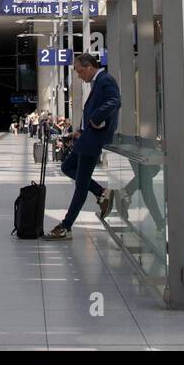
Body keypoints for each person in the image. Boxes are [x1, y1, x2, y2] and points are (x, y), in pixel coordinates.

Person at [44, 53, 120, 240]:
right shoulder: (99, 82)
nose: (78, 76)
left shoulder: (105, 80)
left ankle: (66, 226)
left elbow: (114, 101)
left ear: (88, 67)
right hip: (87, 137)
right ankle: (101, 192)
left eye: (79, 71)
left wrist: (95, 120)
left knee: (81, 185)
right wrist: (80, 130)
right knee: (67, 167)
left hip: (93, 140)